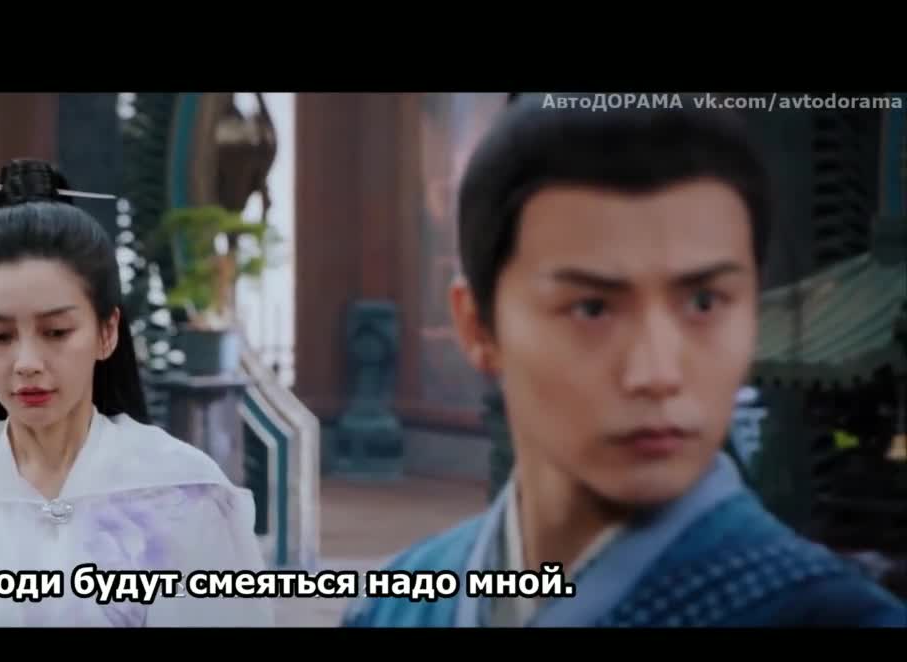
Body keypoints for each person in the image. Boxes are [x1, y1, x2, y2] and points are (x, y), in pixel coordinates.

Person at [342, 94, 907, 627]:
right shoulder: (399, 603)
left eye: (704, 303)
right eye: (592, 308)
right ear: (478, 327)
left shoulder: (830, 615)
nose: (657, 373)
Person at [0, 159, 273, 627]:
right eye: (0, 336)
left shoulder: (182, 490)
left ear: (107, 332)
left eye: (56, 332)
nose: (27, 362)